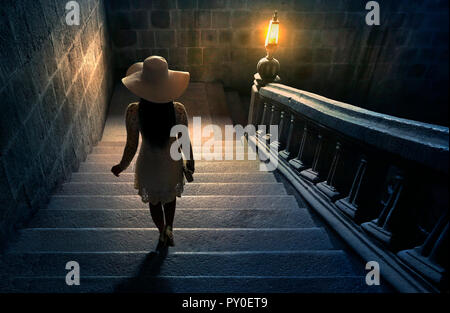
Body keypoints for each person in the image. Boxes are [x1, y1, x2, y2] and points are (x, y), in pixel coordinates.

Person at [111, 56, 194, 248]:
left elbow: (131, 146)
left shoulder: (134, 112)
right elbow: (184, 142)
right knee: (170, 199)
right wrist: (190, 162)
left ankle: (161, 230)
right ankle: (169, 229)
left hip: (147, 165)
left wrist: (121, 166)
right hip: (171, 164)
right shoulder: (178, 111)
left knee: (154, 203)